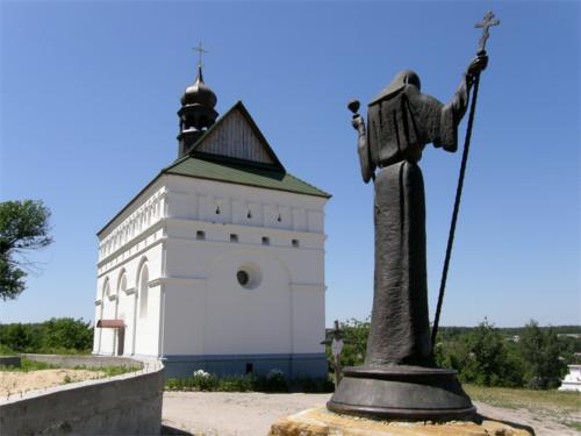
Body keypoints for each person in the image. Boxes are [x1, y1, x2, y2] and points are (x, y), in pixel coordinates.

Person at [351, 53, 487, 367]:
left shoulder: (375, 112)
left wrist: (360, 129)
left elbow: (365, 165)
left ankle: (384, 348)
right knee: (406, 263)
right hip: (403, 181)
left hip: (382, 186)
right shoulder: (409, 96)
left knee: (387, 270)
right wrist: (467, 78)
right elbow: (444, 119)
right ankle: (408, 346)